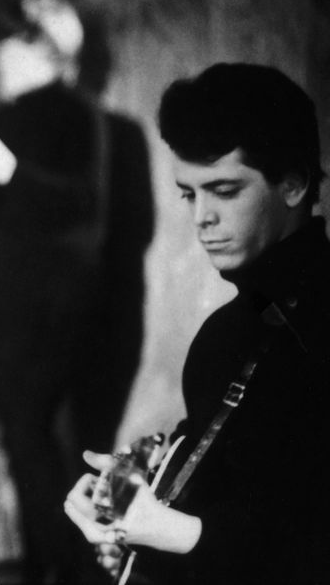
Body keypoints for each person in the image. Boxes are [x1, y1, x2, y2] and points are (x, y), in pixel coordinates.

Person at [65, 63, 330, 585]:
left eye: (225, 191)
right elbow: (210, 487)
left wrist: (171, 532)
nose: (201, 218)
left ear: (294, 184)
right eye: (190, 194)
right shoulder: (226, 333)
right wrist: (123, 494)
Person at [0, 0, 153, 584]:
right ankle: (72, 567)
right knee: (71, 448)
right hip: (94, 312)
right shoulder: (106, 126)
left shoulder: (20, 119)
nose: (2, 62)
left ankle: (62, 567)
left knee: (28, 441)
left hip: (31, 307)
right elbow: (129, 228)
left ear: (36, 51)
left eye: (11, 50)